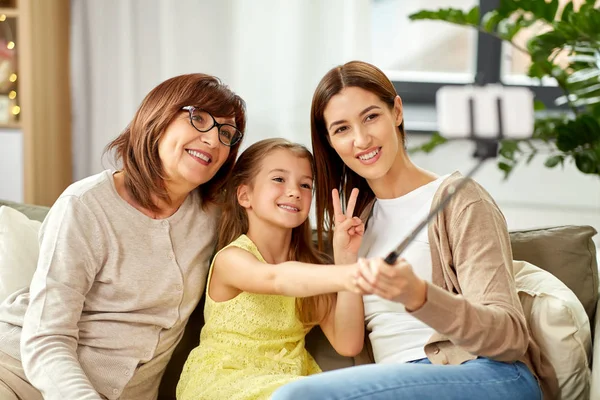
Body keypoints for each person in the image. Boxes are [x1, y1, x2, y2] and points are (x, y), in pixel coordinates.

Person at [271, 61, 555, 400]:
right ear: (330, 142)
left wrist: (419, 295)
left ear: (397, 112)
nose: (361, 140)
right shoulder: (355, 223)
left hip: (486, 375)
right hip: (403, 382)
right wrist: (344, 262)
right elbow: (351, 343)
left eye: (371, 117)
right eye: (342, 129)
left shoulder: (459, 200)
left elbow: (508, 337)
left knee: (296, 397)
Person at [0, 73, 247, 400]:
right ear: (157, 119)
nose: (214, 140)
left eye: (226, 132)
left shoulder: (214, 215)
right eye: (198, 118)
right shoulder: (85, 206)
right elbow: (47, 338)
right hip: (20, 378)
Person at [176, 138, 367, 400]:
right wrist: (350, 275)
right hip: (227, 382)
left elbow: (348, 344)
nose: (294, 191)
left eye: (305, 184)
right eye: (279, 179)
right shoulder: (232, 259)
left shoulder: (312, 272)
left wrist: (347, 260)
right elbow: (275, 279)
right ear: (245, 195)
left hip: (290, 385)